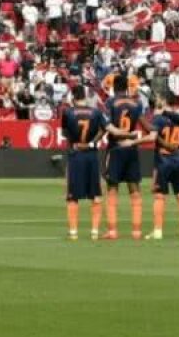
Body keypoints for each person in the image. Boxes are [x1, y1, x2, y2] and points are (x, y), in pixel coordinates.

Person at [102, 75, 145, 240]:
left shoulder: (110, 102)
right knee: (134, 188)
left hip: (115, 148)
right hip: (131, 148)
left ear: (114, 86)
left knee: (112, 188)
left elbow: (108, 125)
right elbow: (143, 124)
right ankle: (136, 231)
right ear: (127, 86)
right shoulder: (137, 103)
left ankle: (112, 231)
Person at [60, 85, 106, 240]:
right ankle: (94, 232)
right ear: (85, 97)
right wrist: (92, 143)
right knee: (96, 194)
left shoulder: (67, 112)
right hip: (91, 155)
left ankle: (73, 232)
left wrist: (75, 143)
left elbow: (65, 133)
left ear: (73, 97)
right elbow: (104, 129)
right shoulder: (96, 112)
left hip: (76, 154)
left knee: (72, 195)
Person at [144, 96, 179, 240]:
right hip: (178, 160)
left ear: (164, 103)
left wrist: (135, 141)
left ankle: (158, 231)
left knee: (159, 196)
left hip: (163, 161)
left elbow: (152, 137)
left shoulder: (158, 119)